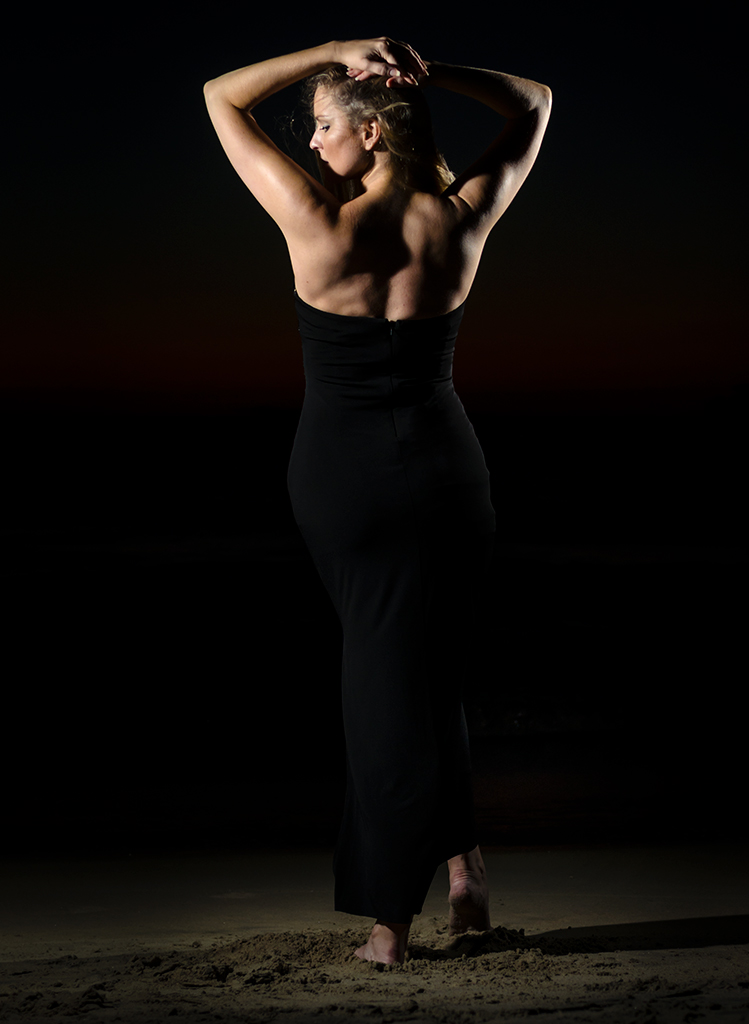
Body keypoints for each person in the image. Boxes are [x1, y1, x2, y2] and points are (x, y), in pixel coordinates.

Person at [204, 37, 551, 964]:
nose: (313, 143)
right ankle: (465, 868)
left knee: (380, 688)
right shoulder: (463, 218)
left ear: (369, 130)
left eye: (324, 125)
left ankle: (388, 920)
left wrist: (333, 49)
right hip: (449, 473)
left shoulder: (317, 223)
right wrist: (429, 72)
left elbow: (219, 97)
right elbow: (535, 102)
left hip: (345, 481)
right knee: (428, 674)